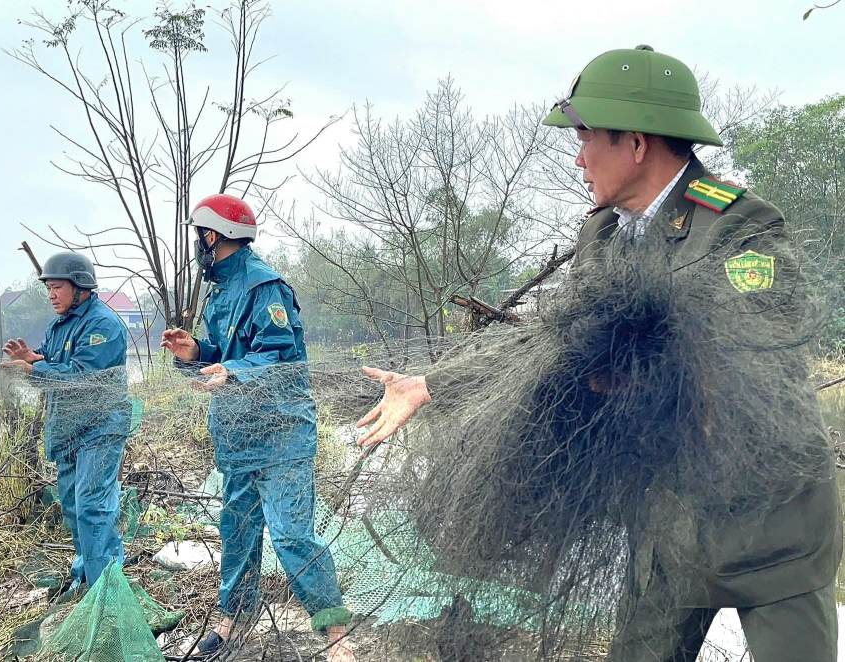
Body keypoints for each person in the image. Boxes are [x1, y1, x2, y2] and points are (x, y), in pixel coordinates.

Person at [357, 46, 841, 661]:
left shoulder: (739, 228)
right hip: (669, 523)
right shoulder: (604, 234)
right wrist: (432, 383)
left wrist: (629, 372)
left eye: (587, 138)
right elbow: (552, 341)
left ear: (635, 144)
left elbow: (753, 361)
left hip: (770, 526)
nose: (579, 158)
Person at [161, 194, 355, 661]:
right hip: (239, 437)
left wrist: (232, 372)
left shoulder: (264, 285)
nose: (198, 245)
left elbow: (276, 354)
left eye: (199, 235)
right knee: (238, 531)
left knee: (291, 535)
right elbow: (226, 353)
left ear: (212, 236)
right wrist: (196, 353)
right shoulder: (221, 291)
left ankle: (337, 637)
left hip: (282, 434)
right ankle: (232, 620)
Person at [1, 251, 131, 592]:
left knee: (92, 506)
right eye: (49, 289)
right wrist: (33, 359)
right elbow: (52, 363)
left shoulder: (103, 325)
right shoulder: (59, 325)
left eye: (57, 287)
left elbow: (82, 376)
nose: (51, 295)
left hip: (101, 428)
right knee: (73, 506)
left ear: (80, 287)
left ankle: (106, 588)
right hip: (69, 429)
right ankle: (86, 573)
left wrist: (35, 369)